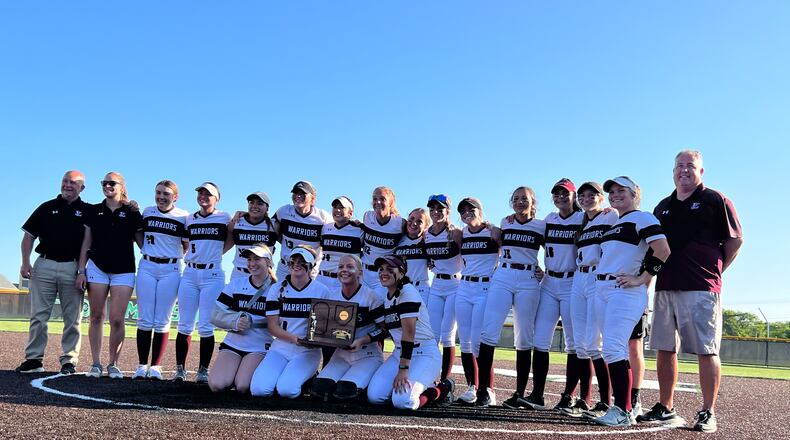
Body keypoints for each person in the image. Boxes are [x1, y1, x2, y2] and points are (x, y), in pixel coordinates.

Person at [638, 150, 743, 433]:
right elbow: (654, 250)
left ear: (701, 171)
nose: (684, 170)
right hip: (666, 285)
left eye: (690, 166)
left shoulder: (715, 200)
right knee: (664, 348)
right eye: (679, 166)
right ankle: (665, 406)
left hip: (701, 286)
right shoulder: (662, 207)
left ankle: (708, 411)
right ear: (673, 171)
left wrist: (714, 270)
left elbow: (734, 242)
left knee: (706, 350)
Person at [592, 176, 670, 427]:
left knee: (613, 348)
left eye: (621, 190)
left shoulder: (643, 217)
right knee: (613, 349)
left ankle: (623, 410)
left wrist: (643, 277)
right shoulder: (616, 222)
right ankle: (622, 406)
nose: (615, 194)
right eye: (612, 191)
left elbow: (663, 250)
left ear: (636, 192)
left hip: (623, 290)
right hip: (603, 288)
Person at [16, 170, 90, 375]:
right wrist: (25, 262)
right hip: (44, 265)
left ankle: (69, 361)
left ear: (81, 188)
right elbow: (28, 236)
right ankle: (34, 359)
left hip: (73, 268)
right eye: (65, 181)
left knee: (73, 318)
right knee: (38, 315)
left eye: (73, 183)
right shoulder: (46, 207)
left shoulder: (87, 211)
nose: (68, 185)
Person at [478, 187, 546, 409]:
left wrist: (545, 271)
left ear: (533, 202)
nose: (519, 202)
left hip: (528, 278)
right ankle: (483, 389)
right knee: (489, 331)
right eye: (515, 199)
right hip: (504, 275)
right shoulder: (505, 222)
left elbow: (555, 250)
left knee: (524, 337)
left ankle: (519, 392)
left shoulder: (541, 225)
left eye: (524, 199)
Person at [558, 181, 618, 417]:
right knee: (581, 345)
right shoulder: (584, 222)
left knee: (594, 344)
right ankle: (584, 399)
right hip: (578, 278)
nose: (586, 198)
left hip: (597, 277)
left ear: (601, 198)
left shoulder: (609, 216)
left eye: (591, 194)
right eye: (581, 195)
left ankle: (606, 401)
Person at [76, 172, 143, 379]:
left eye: (112, 183)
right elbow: (86, 243)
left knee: (116, 319)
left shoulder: (132, 213)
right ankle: (95, 363)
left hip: (124, 270)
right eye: (104, 183)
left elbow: (143, 244)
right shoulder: (94, 211)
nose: (107, 186)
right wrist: (81, 270)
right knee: (96, 316)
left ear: (122, 186)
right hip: (97, 268)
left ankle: (113, 364)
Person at [526, 178, 584, 411]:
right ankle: (537, 394)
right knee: (539, 340)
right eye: (556, 194)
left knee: (573, 343)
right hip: (549, 281)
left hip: (573, 281)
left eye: (565, 193)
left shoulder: (583, 218)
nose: (560, 197)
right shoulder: (548, 220)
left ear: (574, 196)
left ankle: (569, 395)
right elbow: (528, 231)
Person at [366, 255, 452, 410]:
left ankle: (442, 388)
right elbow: (385, 330)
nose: (383, 273)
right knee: (375, 397)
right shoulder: (387, 296)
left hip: (423, 353)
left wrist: (403, 370)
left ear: (401, 272)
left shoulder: (408, 293)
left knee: (404, 402)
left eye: (389, 269)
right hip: (399, 352)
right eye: (381, 269)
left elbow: (409, 333)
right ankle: (418, 384)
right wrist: (362, 340)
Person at [249, 246, 330, 398]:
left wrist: (313, 341)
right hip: (281, 347)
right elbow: (272, 327)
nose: (296, 264)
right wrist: (296, 339)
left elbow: (323, 327)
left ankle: (308, 377)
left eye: (302, 261)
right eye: (293, 261)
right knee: (259, 390)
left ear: (311, 266)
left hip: (307, 351)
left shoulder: (322, 291)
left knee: (287, 390)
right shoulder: (277, 289)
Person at [174, 182, 231, 383]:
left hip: (212, 274)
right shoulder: (190, 218)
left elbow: (231, 237)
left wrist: (215, 254)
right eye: (201, 193)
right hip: (190, 273)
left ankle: (203, 371)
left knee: (206, 326)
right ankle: (180, 369)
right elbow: (186, 244)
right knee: (184, 324)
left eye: (208, 194)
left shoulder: (225, 217)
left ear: (217, 198)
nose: (203, 196)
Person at [133, 180, 189, 380]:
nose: (161, 197)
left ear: (175, 196)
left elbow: (187, 244)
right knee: (145, 318)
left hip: (171, 268)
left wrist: (171, 257)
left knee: (162, 319)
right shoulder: (148, 212)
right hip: (147, 265)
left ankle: (155, 366)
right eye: (158, 192)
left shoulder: (183, 216)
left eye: (166, 193)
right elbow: (138, 233)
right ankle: (141, 365)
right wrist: (147, 251)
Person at [311, 255, 384, 401]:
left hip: (367, 355)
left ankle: (368, 382)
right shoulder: (331, 297)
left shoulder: (371, 297)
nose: (344, 270)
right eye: (340, 267)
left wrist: (363, 340)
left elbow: (385, 329)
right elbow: (325, 332)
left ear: (360, 272)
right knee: (320, 389)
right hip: (341, 356)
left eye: (350, 267)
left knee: (345, 391)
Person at [208, 244, 275, 394]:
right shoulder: (236, 284)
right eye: (249, 259)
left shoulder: (276, 289)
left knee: (243, 386)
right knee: (217, 385)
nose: (252, 263)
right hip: (233, 343)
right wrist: (234, 321)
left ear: (268, 262)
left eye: (257, 259)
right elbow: (215, 314)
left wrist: (253, 322)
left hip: (259, 345)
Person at [454, 197, 500, 406]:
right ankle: (473, 386)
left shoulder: (492, 231)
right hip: (464, 286)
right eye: (463, 211)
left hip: (485, 286)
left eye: (471, 209)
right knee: (464, 341)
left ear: (480, 210)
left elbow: (509, 252)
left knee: (478, 341)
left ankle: (487, 389)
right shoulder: (461, 234)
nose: (466, 213)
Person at [423, 194, 462, 383]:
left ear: (448, 211)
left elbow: (470, 255)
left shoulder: (455, 233)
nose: (436, 212)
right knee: (433, 334)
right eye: (432, 209)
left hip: (455, 283)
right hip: (437, 284)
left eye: (440, 208)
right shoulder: (427, 233)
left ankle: (446, 380)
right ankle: (430, 377)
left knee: (447, 335)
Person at [272, 181, 332, 280]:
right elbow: (267, 224)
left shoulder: (323, 217)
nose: (298, 196)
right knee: (279, 295)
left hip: (309, 269)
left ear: (312, 198)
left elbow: (338, 230)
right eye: (296, 193)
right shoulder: (284, 211)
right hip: (285, 267)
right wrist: (245, 215)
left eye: (302, 194)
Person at [360, 187, 405, 290]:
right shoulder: (367, 216)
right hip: (364, 273)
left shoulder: (400, 224)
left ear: (391, 202)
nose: (377, 202)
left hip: (383, 275)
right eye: (375, 199)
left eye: (382, 199)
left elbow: (416, 235)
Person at [225, 192, 277, 280]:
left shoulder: (274, 225)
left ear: (267, 208)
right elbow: (225, 246)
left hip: (263, 275)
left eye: (260, 203)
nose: (254, 206)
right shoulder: (236, 222)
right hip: (239, 274)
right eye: (251, 202)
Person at [316, 196, 363, 291]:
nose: (337, 210)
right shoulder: (325, 228)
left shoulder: (359, 231)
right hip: (322, 278)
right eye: (335, 207)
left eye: (342, 208)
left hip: (345, 280)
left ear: (350, 213)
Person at [393, 208, 431, 304]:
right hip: (401, 287)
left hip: (421, 289)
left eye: (419, 221)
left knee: (421, 318)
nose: (414, 223)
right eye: (411, 219)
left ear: (426, 226)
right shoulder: (398, 240)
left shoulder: (428, 241)